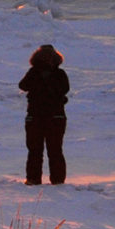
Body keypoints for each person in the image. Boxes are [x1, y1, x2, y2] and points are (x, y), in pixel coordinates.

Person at [19, 44, 69, 185]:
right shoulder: (59, 74)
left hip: (36, 116)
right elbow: (65, 90)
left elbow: (22, 85)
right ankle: (57, 181)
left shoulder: (34, 72)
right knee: (55, 150)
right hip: (55, 117)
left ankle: (33, 179)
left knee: (35, 150)